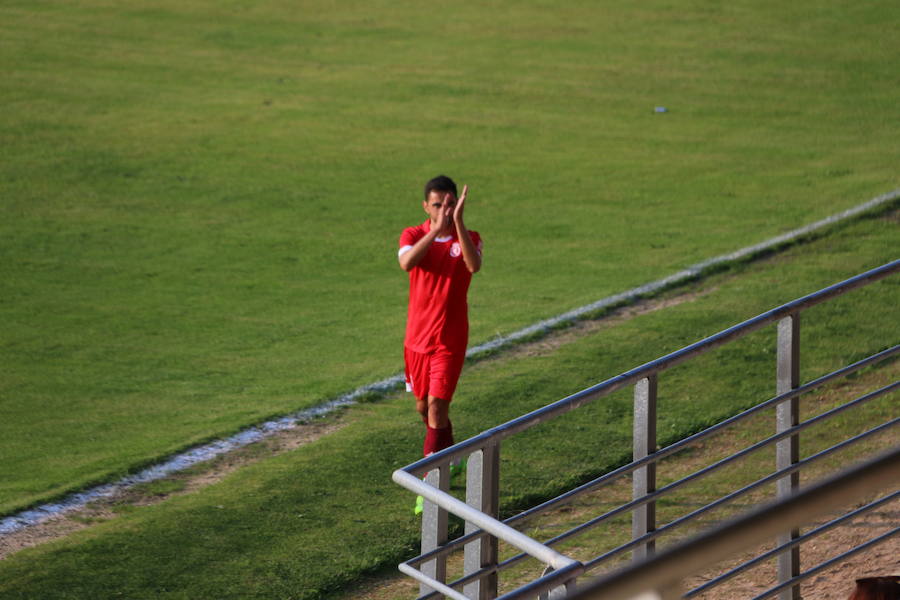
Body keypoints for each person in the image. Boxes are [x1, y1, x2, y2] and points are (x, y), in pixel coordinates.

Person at [398, 175, 482, 507]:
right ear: (426, 206)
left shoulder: (470, 237)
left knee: (436, 407)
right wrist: (435, 231)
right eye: (438, 205)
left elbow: (474, 265)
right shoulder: (414, 235)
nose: (444, 210)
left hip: (449, 341)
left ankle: (431, 487)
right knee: (424, 408)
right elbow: (406, 262)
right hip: (416, 341)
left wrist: (456, 224)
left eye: (449, 204)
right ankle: (452, 456)